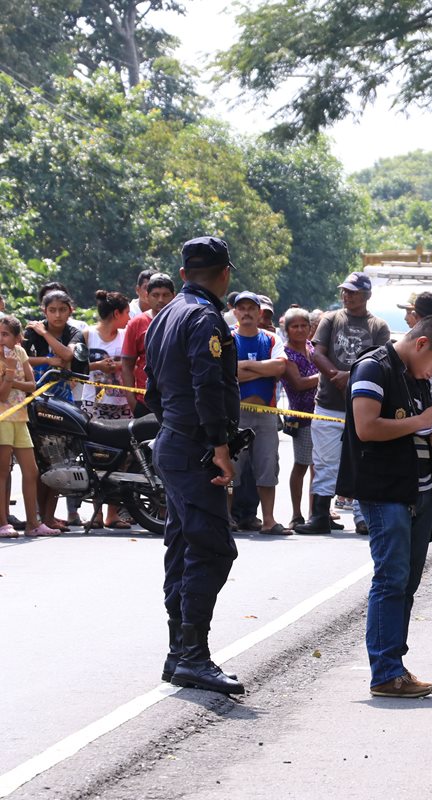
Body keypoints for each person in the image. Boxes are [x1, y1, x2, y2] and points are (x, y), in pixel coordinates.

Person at [336, 315, 432, 698]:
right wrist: (421, 421)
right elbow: (366, 427)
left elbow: (417, 435)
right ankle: (385, 672)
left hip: (417, 490)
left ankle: (395, 665)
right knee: (391, 580)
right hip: (385, 491)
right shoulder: (373, 367)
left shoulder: (417, 378)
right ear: (421, 343)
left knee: (406, 583)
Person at [144, 235, 243, 694]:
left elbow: (152, 390)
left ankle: (178, 651)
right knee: (212, 549)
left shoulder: (164, 314)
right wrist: (218, 445)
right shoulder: (204, 317)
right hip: (195, 447)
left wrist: (178, 428)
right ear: (224, 274)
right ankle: (192, 656)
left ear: (184, 274)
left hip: (173, 440)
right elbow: (208, 385)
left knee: (183, 545)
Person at [295, 272, 391, 535]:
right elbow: (316, 352)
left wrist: (351, 377)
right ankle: (320, 516)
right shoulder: (331, 319)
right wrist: (335, 376)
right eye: (344, 291)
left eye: (352, 292)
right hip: (328, 403)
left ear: (366, 295)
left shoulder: (378, 326)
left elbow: (382, 360)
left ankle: (363, 518)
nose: (346, 295)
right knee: (324, 463)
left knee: (363, 463)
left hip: (364, 408)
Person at [23, 288, 86, 530]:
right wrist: (48, 360)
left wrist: (45, 334)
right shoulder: (31, 332)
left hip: (62, 403)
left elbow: (67, 354)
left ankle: (49, 516)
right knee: (41, 462)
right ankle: (41, 517)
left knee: (58, 461)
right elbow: (21, 358)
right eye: (52, 310)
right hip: (35, 403)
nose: (57, 315)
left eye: (62, 310)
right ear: (44, 311)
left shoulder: (73, 333)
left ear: (70, 311)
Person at [228, 291, 288, 535]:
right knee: (231, 468)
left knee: (267, 466)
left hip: (266, 413)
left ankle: (269, 520)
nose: (246, 313)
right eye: (241, 308)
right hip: (235, 413)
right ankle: (226, 517)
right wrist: (262, 370)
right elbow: (226, 373)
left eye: (251, 308)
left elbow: (280, 366)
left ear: (259, 312)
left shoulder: (271, 339)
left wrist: (244, 366)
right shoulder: (227, 338)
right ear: (235, 312)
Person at [75, 290, 133, 528]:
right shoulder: (88, 335)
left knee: (123, 458)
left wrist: (117, 366)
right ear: (117, 313)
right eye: (127, 312)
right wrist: (98, 365)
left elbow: (132, 363)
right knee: (95, 457)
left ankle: (112, 513)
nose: (129, 317)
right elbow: (75, 365)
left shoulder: (126, 335)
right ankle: (96, 513)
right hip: (94, 404)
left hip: (122, 404)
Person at [0, 315, 54, 537]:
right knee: (2, 471)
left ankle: (33, 523)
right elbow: (2, 396)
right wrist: (10, 372)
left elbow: (32, 385)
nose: (0, 339)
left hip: (20, 418)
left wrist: (10, 378)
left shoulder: (20, 353)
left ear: (17, 338)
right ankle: (3, 523)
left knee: (31, 471)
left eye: (5, 335)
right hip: (2, 419)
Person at [280, 307, 320, 530]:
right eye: (294, 326)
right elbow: (298, 383)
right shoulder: (286, 354)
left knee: (318, 466)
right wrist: (325, 375)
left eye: (304, 325)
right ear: (287, 329)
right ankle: (296, 514)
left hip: (321, 415)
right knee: (302, 464)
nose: (300, 330)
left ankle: (317, 513)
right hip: (301, 417)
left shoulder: (311, 348)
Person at [122, 273, 176, 416]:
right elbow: (127, 364)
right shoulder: (136, 323)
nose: (160, 300)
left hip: (177, 402)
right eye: (155, 295)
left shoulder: (182, 321)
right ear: (147, 296)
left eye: (165, 295)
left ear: (174, 296)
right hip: (144, 402)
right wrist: (132, 402)